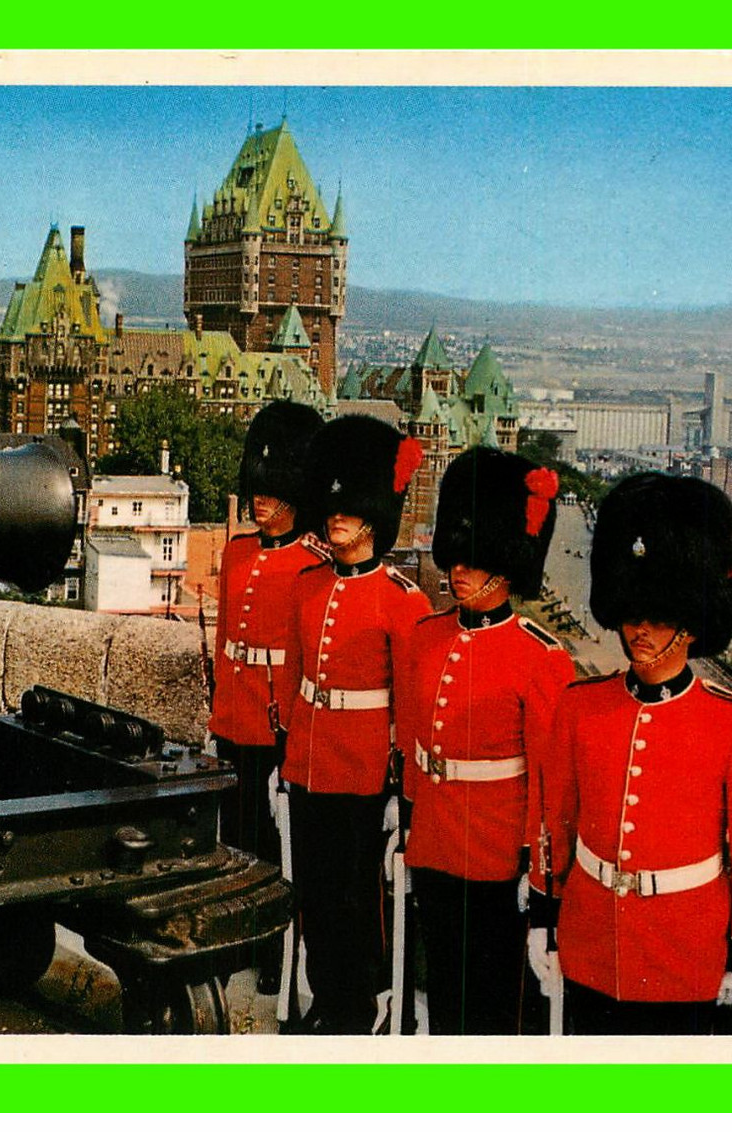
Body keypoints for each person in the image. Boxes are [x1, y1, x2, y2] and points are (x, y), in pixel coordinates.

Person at [530, 472, 732, 1035]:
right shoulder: (579, 707)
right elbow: (555, 822)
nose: (640, 629)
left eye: (660, 616)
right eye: (633, 613)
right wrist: (543, 917)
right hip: (590, 940)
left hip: (683, 952)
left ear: (690, 627)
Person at [396, 447, 574, 1035]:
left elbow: (549, 784)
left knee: (492, 1005)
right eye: (457, 560)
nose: (458, 573)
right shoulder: (426, 637)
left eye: (474, 561)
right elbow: (415, 745)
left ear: (505, 567)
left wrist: (539, 871)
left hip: (498, 856)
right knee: (444, 992)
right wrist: (406, 822)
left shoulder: (540, 659)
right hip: (434, 842)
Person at [280, 414, 433, 1034]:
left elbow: (414, 710)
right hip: (310, 764)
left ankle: (356, 1006)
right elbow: (295, 683)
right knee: (313, 894)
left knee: (354, 900)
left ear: (374, 518)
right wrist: (286, 761)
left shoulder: (403, 601)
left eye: (349, 511)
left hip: (365, 770)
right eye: (332, 508)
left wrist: (404, 792)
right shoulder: (308, 587)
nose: (335, 519)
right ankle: (325, 1001)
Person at [209, 399, 326, 995]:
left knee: (270, 852)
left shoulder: (312, 567)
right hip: (234, 716)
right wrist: (216, 714)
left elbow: (308, 664)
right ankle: (234, 944)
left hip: (275, 727)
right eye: (258, 488)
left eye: (272, 491)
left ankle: (271, 954)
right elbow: (227, 638)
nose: (260, 500)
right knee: (232, 841)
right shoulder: (237, 552)